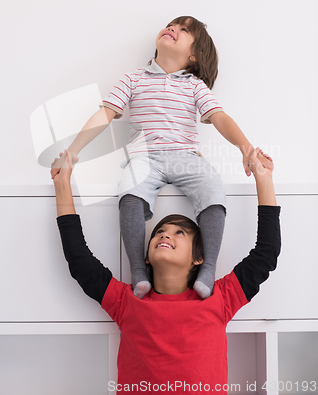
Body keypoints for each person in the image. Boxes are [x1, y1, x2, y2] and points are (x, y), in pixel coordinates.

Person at [51, 16, 273, 300]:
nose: (173, 29)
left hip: (186, 157)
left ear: (193, 55)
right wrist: (73, 150)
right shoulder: (134, 78)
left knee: (213, 189)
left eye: (183, 30)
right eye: (172, 25)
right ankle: (138, 270)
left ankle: (208, 268)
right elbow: (104, 114)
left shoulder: (194, 86)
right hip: (145, 158)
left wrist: (247, 149)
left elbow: (220, 118)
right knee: (129, 191)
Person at [53, 148, 280, 394]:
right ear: (147, 258)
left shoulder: (219, 298)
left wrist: (263, 177)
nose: (164, 234)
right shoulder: (126, 301)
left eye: (179, 232)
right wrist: (62, 183)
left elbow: (266, 253)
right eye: (159, 232)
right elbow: (79, 260)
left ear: (199, 258)